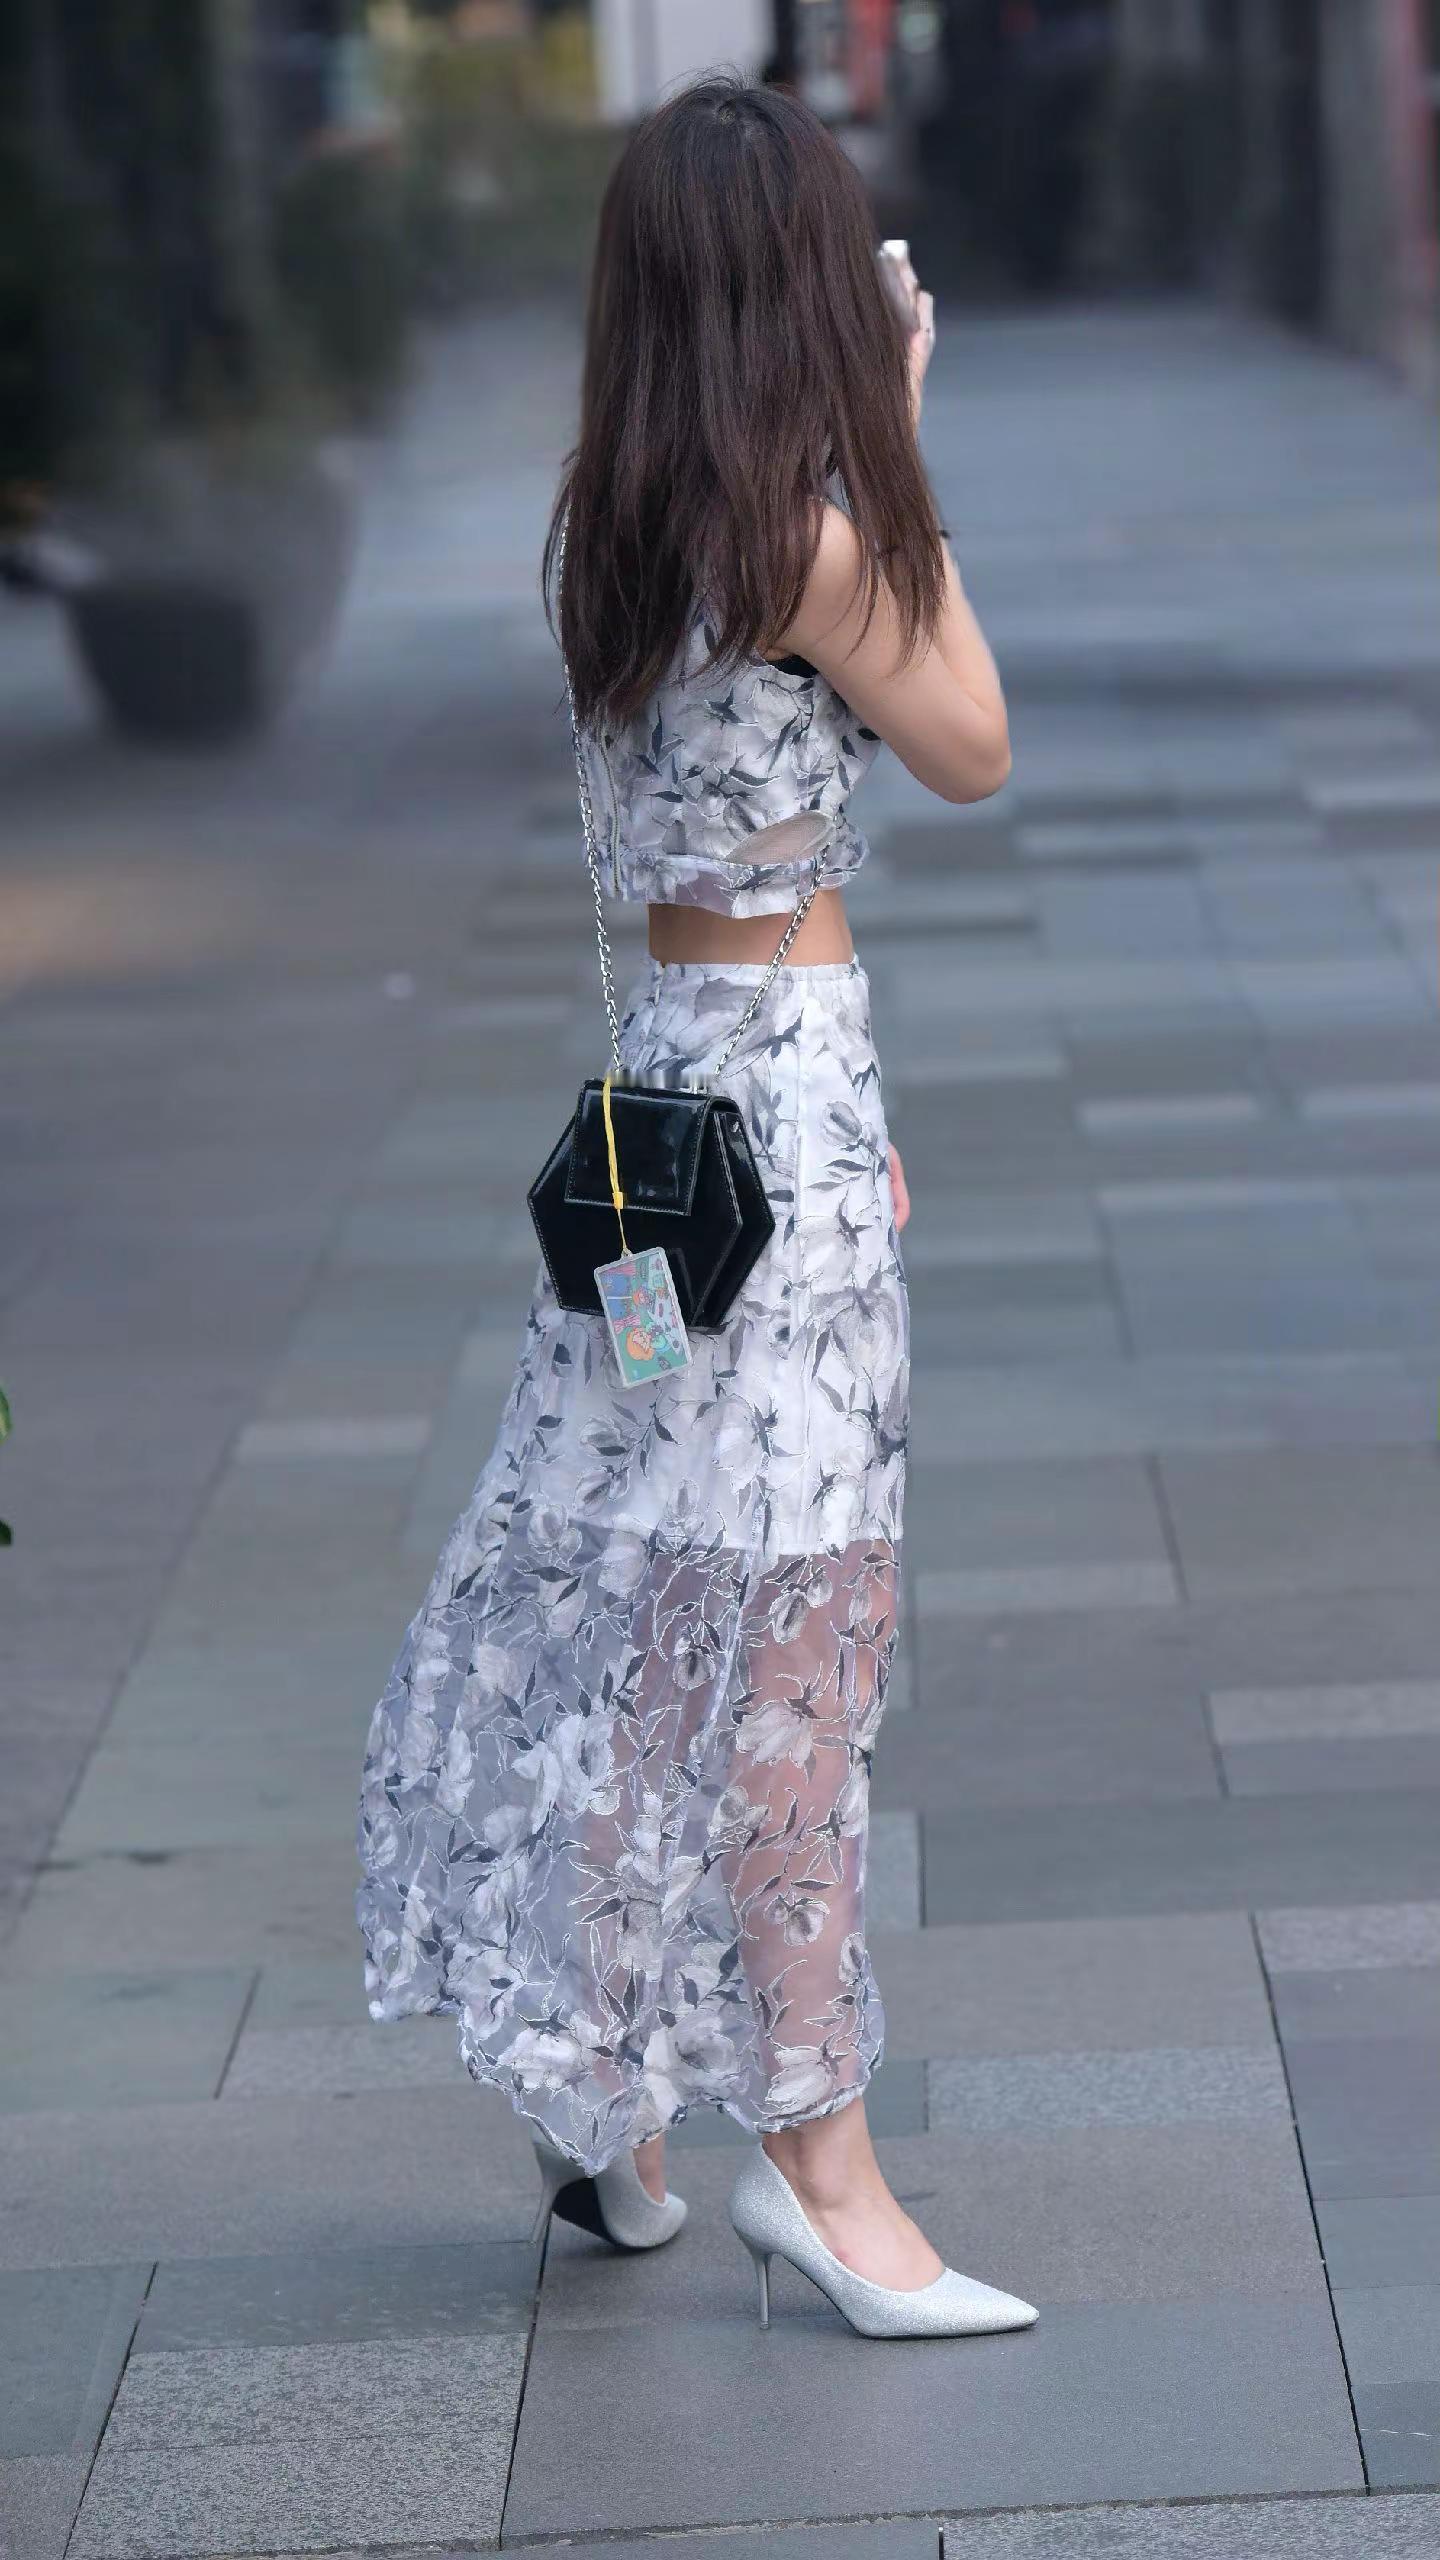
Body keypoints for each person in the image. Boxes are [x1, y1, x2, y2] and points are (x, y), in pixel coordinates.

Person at [356, 71, 1035, 2342]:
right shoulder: (818, 544)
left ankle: (607, 2104)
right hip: (780, 1118)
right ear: (802, 295)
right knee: (795, 1629)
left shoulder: (620, 525)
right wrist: (900, 447)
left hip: (666, 1102)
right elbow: (974, 741)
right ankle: (820, 2170)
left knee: (630, 1568)